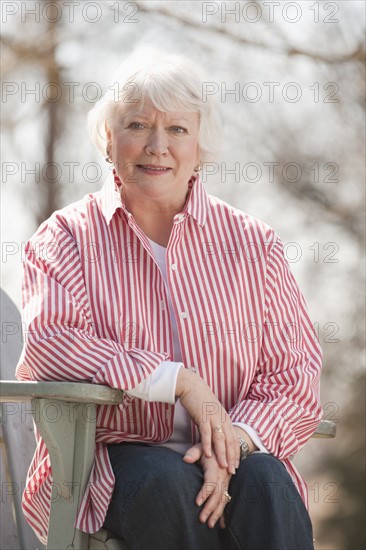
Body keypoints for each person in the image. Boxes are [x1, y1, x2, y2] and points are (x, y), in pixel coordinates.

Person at [16, 47, 322, 550]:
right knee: (164, 481)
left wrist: (230, 443)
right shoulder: (66, 237)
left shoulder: (254, 244)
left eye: (178, 129)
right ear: (108, 138)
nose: (157, 146)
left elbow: (295, 376)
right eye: (137, 125)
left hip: (242, 457)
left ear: (201, 145)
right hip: (117, 460)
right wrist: (177, 381)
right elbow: (52, 343)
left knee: (268, 479)